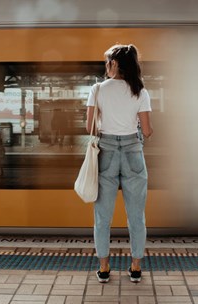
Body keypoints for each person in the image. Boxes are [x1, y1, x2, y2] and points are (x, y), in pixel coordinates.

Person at [86, 44, 153, 283]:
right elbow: (146, 131)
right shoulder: (140, 91)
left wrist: (108, 123)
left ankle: (104, 268)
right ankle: (135, 267)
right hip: (133, 152)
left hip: (107, 153)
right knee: (136, 215)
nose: (106, 66)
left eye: (107, 62)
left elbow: (89, 127)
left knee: (102, 216)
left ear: (115, 64)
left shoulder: (97, 89)